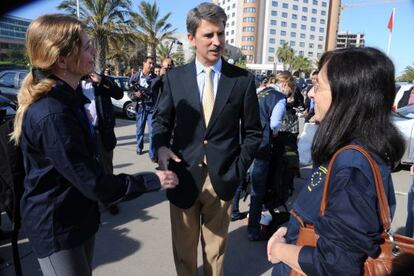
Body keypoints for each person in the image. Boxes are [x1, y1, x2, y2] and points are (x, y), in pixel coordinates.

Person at [11, 14, 178, 276]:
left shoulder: (68, 99)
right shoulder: (53, 114)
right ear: (62, 59)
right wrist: (152, 180)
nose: (94, 50)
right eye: (87, 46)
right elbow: (95, 183)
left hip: (78, 219)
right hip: (58, 228)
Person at [267, 47, 404, 275]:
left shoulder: (352, 166)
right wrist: (287, 230)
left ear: (346, 96)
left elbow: (336, 265)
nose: (310, 93)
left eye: (318, 85)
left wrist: (281, 251)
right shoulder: (345, 150)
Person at [152, 3, 262, 276]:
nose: (217, 42)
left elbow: (253, 132)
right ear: (191, 38)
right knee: (184, 253)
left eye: (221, 34)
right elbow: (161, 121)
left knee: (215, 255)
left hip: (222, 179)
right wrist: (160, 146)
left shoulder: (242, 80)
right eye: (209, 35)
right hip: (182, 175)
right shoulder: (175, 79)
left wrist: (237, 169)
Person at [246, 81, 286, 241]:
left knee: (242, 179)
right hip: (262, 144)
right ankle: (252, 229)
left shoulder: (260, 92)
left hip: (247, 140)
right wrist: (274, 133)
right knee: (258, 189)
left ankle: (234, 211)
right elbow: (275, 123)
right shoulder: (279, 97)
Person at [81, 72, 123, 215]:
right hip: (83, 134)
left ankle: (111, 200)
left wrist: (102, 81)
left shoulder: (102, 81)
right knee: (87, 169)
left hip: (102, 132)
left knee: (106, 168)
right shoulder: (73, 83)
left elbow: (119, 94)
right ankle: (93, 201)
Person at [128, 56, 157, 159]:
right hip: (140, 107)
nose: (151, 65)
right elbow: (130, 92)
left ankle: (152, 153)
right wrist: (135, 95)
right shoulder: (135, 76)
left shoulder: (154, 77)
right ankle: (139, 147)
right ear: (144, 64)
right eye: (149, 63)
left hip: (151, 108)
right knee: (139, 130)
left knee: (152, 131)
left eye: (153, 63)